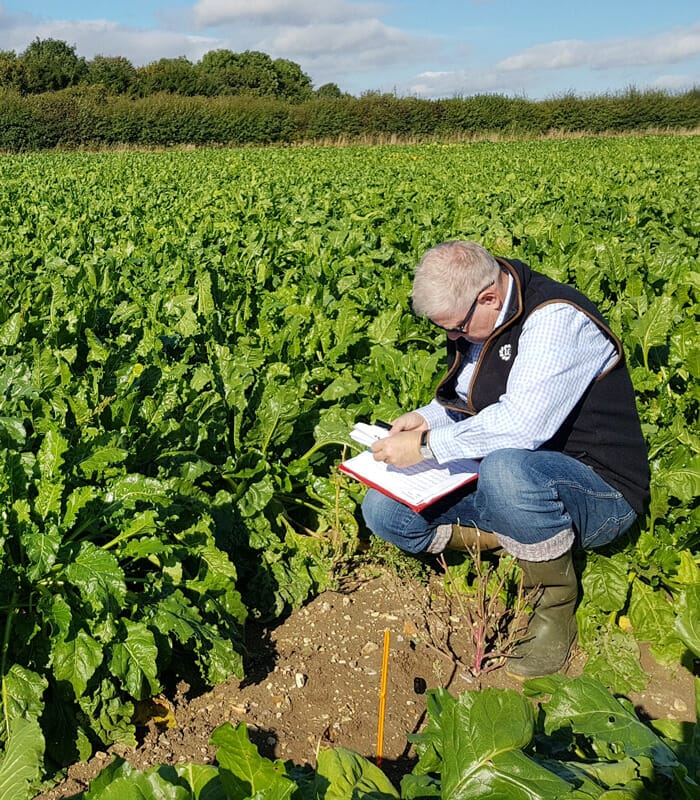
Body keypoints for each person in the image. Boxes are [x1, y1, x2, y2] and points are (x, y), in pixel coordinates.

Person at [362, 241, 649, 678]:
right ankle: (517, 541)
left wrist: (425, 447)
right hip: (515, 481)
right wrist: (424, 418)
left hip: (596, 490)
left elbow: (521, 426)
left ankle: (553, 604)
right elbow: (469, 399)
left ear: (489, 298)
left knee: (505, 468)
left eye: (456, 329)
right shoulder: (484, 320)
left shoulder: (555, 320)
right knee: (384, 509)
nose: (452, 338)